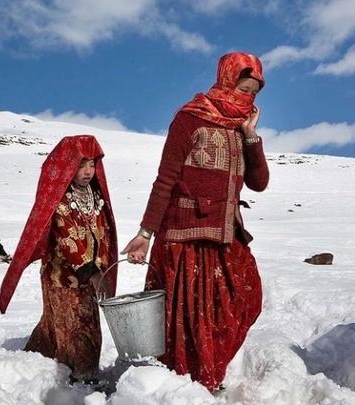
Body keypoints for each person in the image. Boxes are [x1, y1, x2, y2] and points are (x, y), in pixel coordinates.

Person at [121, 52, 269, 392]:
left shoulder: (240, 127)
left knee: (245, 299)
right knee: (190, 319)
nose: (247, 98)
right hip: (184, 236)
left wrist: (250, 135)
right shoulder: (190, 119)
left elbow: (259, 182)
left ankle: (205, 375)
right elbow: (166, 178)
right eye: (243, 88)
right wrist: (146, 232)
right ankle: (192, 386)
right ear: (227, 81)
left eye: (254, 94)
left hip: (226, 235)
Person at [0, 135, 118, 383]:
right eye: (81, 165)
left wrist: (102, 269)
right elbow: (66, 239)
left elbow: (104, 235)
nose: (87, 172)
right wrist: (91, 271)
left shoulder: (97, 198)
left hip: (89, 278)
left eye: (91, 165)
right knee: (73, 328)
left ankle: (43, 361)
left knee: (84, 326)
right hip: (62, 278)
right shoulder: (60, 202)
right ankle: (79, 378)